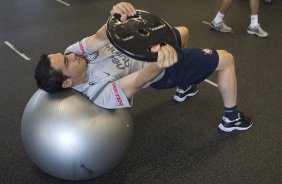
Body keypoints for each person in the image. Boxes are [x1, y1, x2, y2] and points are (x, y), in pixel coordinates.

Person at [34, 2, 252, 132]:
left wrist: (115, 16)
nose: (71, 55)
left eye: (65, 55)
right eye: (66, 62)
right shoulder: (98, 92)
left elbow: (100, 37)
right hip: (159, 70)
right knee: (226, 59)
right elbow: (140, 80)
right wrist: (160, 62)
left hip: (139, 46)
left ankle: (186, 87)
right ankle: (231, 118)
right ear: (68, 82)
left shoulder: (75, 53)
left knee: (182, 31)